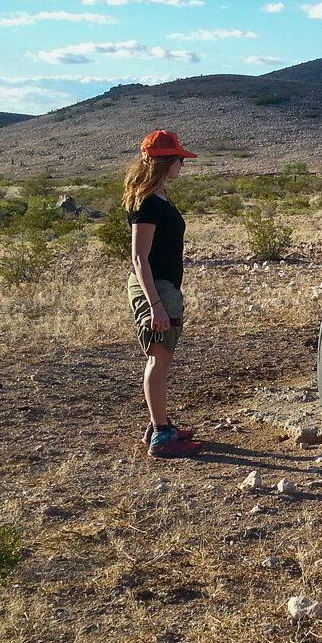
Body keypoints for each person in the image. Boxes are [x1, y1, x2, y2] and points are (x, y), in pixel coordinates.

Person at [124, 130, 203, 458]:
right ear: (166, 160)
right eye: (179, 158)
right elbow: (139, 257)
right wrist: (155, 303)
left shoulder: (158, 195)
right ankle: (161, 436)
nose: (183, 163)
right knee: (160, 360)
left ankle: (160, 423)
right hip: (155, 287)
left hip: (163, 286)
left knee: (161, 358)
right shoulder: (147, 201)